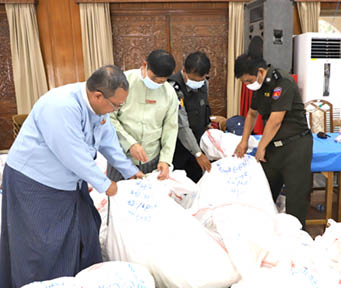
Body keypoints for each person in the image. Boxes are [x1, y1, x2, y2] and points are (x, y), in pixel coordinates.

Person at [0, 65, 145, 287]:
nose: (115, 110)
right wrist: (106, 184)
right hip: (35, 183)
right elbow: (73, 154)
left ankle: (79, 280)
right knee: (42, 245)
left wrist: (130, 171)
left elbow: (108, 142)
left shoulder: (99, 110)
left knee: (86, 230)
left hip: (70, 182)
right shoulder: (60, 106)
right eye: (116, 105)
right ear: (98, 95)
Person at [233, 38, 312, 228]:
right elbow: (251, 114)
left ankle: (297, 241)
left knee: (295, 200)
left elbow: (276, 120)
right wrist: (244, 141)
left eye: (249, 81)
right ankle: (267, 235)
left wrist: (260, 147)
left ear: (260, 72)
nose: (247, 85)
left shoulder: (281, 82)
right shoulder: (259, 87)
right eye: (244, 83)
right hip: (273, 147)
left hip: (295, 147)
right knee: (264, 194)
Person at [108, 49, 178, 181]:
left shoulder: (169, 93)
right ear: (145, 65)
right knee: (117, 197)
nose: (157, 84)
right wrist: (130, 144)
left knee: (148, 199)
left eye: (162, 81)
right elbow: (109, 117)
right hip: (120, 158)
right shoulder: (122, 82)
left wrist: (165, 159)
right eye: (154, 79)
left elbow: (171, 127)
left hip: (151, 160)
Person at [168, 51, 212, 182]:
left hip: (198, 143)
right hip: (178, 145)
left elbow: (204, 108)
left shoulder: (204, 83)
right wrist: (197, 153)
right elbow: (182, 125)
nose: (197, 83)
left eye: (201, 80)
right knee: (178, 183)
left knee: (198, 179)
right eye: (193, 80)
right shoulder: (173, 88)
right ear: (184, 71)